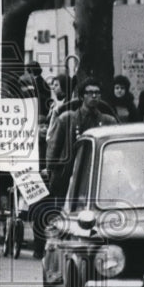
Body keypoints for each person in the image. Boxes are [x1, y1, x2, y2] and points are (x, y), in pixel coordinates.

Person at [37, 78, 117, 257]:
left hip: (97, 176)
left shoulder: (108, 120)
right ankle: (56, 252)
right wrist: (51, 171)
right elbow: (53, 149)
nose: (94, 96)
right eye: (90, 93)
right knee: (61, 215)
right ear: (82, 96)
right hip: (67, 175)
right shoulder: (67, 119)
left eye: (97, 93)